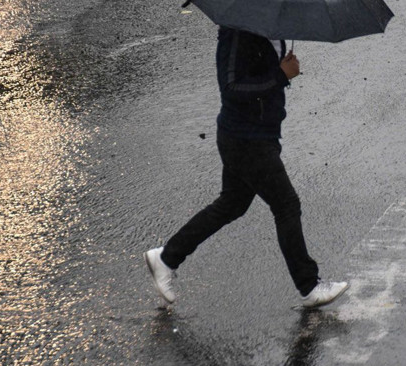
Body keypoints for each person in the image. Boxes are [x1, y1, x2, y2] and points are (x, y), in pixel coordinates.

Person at [144, 26, 348, 309]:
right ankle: (309, 286)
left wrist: (281, 72)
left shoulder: (272, 27)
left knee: (232, 204)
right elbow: (230, 87)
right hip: (245, 139)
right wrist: (280, 75)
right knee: (286, 204)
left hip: (261, 133)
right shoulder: (237, 34)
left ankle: (166, 258)